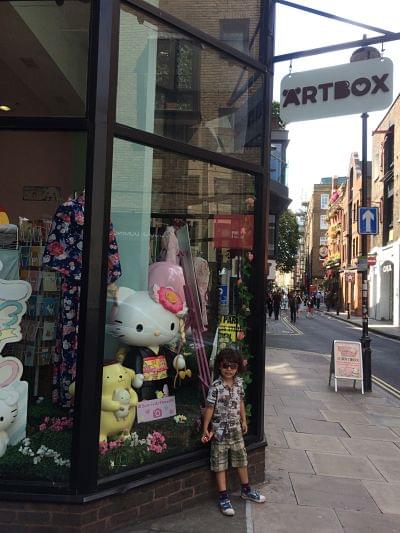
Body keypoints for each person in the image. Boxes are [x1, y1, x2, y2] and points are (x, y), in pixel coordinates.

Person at [202, 348, 265, 516]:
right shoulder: (215, 386)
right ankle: (223, 497)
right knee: (220, 462)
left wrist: (244, 420)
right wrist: (206, 428)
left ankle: (246, 490)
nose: (229, 369)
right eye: (225, 366)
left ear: (238, 368)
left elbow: (241, 402)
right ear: (219, 366)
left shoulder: (238, 383)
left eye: (233, 366)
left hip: (235, 429)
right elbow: (209, 408)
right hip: (219, 431)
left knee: (241, 459)